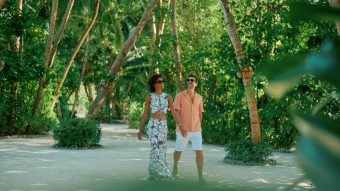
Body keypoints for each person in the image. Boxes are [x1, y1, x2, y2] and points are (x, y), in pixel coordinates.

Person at [137, 73, 181, 180]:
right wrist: (139, 130)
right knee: (155, 149)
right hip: (153, 125)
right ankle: (162, 173)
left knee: (161, 149)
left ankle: (155, 173)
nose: (162, 83)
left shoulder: (168, 97)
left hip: (163, 125)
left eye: (162, 81)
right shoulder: (149, 97)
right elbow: (145, 113)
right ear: (155, 84)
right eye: (160, 82)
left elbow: (174, 113)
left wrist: (180, 125)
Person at [172, 74, 204, 182]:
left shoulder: (199, 97)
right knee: (178, 151)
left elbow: (200, 113)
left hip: (196, 130)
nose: (189, 81)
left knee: (199, 151)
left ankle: (200, 177)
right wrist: (181, 127)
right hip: (183, 129)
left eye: (192, 80)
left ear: (196, 83)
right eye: (188, 80)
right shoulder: (179, 95)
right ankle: (175, 167)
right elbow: (176, 113)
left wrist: (199, 125)